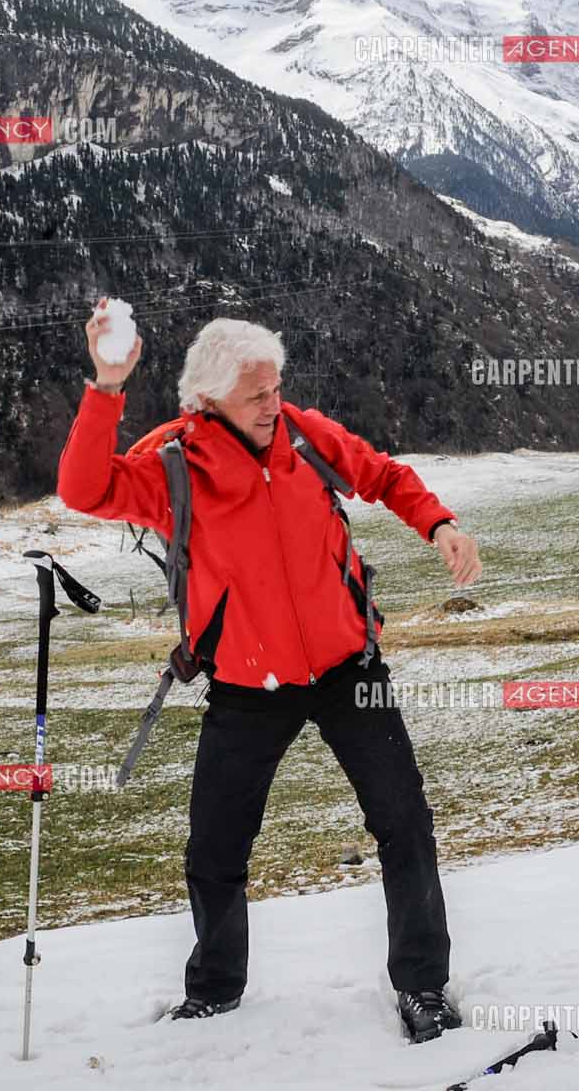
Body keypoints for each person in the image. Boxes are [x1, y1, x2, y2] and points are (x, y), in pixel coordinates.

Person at [56, 302, 483, 1040]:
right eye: (257, 395)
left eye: (276, 388)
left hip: (351, 667)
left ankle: (424, 987)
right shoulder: (173, 465)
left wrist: (439, 524)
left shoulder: (305, 437)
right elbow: (84, 489)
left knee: (404, 822)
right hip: (248, 686)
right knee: (216, 845)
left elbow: (381, 474)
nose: (272, 405)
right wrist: (107, 387)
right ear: (209, 397)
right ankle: (216, 990)